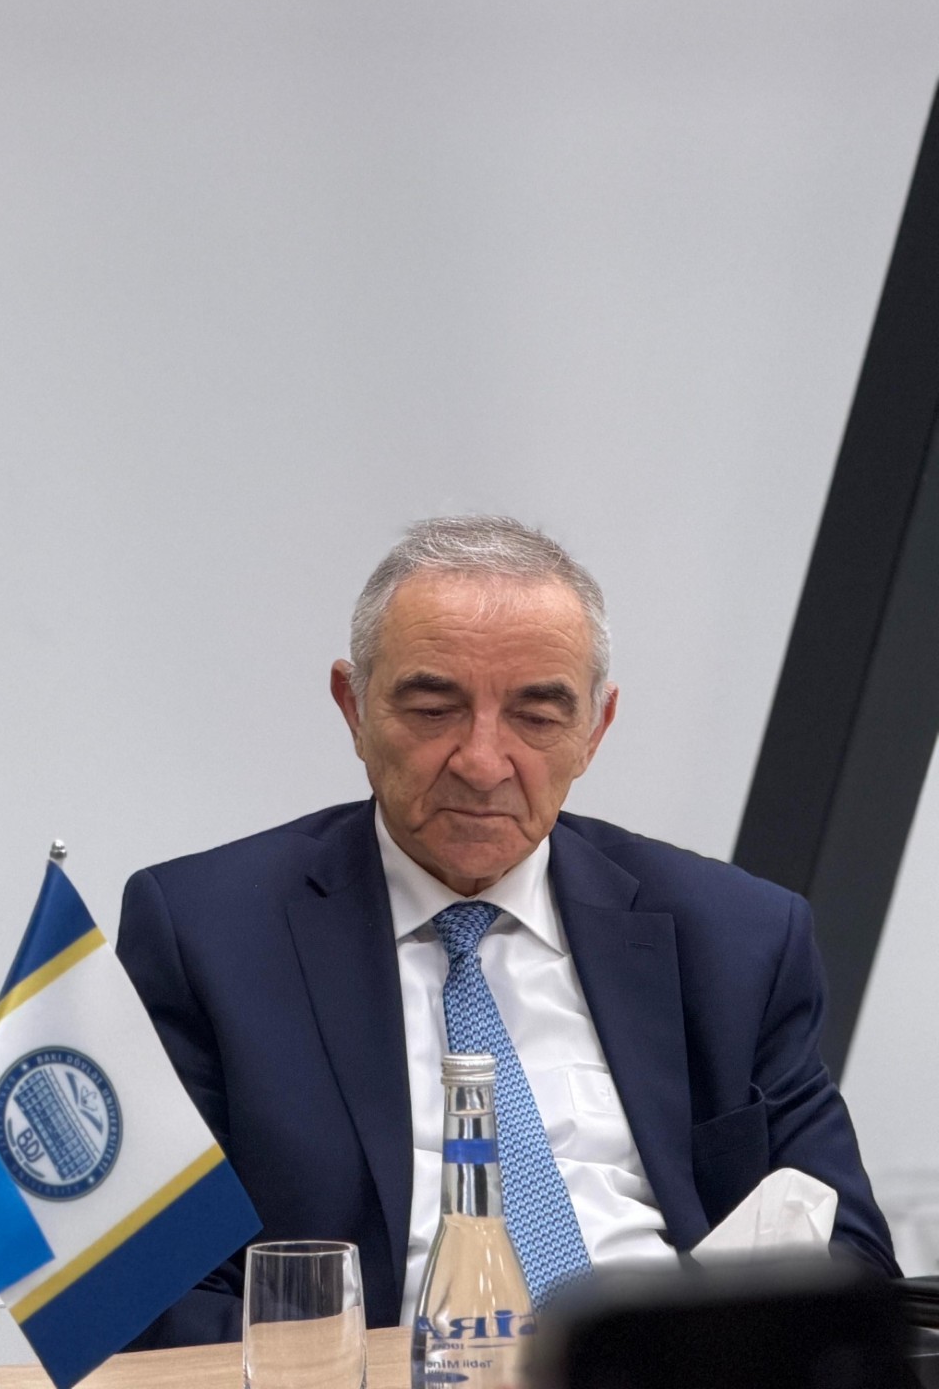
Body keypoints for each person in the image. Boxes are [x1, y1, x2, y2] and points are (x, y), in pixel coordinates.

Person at [116, 515, 898, 1342]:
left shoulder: (736, 937)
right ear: (354, 708)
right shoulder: (209, 934)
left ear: (595, 729)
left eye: (537, 716)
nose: (483, 763)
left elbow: (845, 1258)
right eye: (433, 709)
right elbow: (149, 1290)